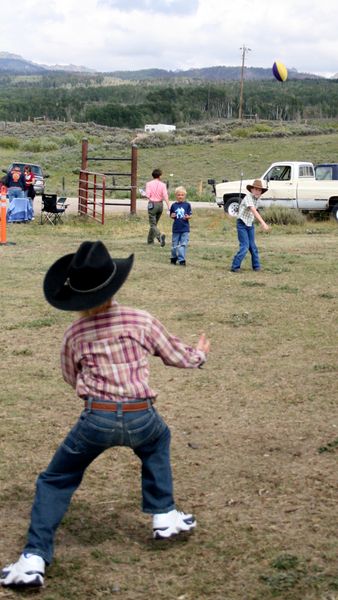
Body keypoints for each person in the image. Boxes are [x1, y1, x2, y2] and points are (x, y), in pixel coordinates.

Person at [0, 241, 210, 589]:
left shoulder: (74, 334)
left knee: (56, 479)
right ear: (115, 285)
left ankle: (34, 557)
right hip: (142, 415)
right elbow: (176, 355)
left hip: (96, 418)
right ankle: (164, 515)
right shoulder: (140, 319)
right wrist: (199, 355)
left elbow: (71, 376)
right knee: (158, 441)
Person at [230, 179, 269, 272]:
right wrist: (263, 223)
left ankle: (256, 266)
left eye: (259, 190)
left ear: (261, 192)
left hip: (250, 224)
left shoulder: (258, 200)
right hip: (242, 223)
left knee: (253, 246)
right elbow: (253, 210)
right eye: (255, 189)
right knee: (245, 246)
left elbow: (255, 211)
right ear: (251, 190)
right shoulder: (248, 197)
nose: (257, 191)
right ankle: (235, 266)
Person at [145, 168, 170, 246]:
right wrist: (169, 206)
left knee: (153, 225)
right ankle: (150, 241)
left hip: (152, 205)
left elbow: (147, 195)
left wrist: (144, 194)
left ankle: (159, 236)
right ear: (160, 176)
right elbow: (165, 196)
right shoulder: (163, 185)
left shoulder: (148, 184)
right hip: (160, 205)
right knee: (154, 224)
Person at [170, 186, 192, 266]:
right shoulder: (173, 205)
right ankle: (173, 258)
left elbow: (190, 215)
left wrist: (187, 217)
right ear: (176, 196)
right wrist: (172, 215)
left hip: (185, 228)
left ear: (184, 196)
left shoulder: (187, 205)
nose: (180, 196)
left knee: (183, 244)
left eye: (182, 195)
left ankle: (182, 260)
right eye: (178, 195)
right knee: (174, 245)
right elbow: (172, 215)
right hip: (176, 228)